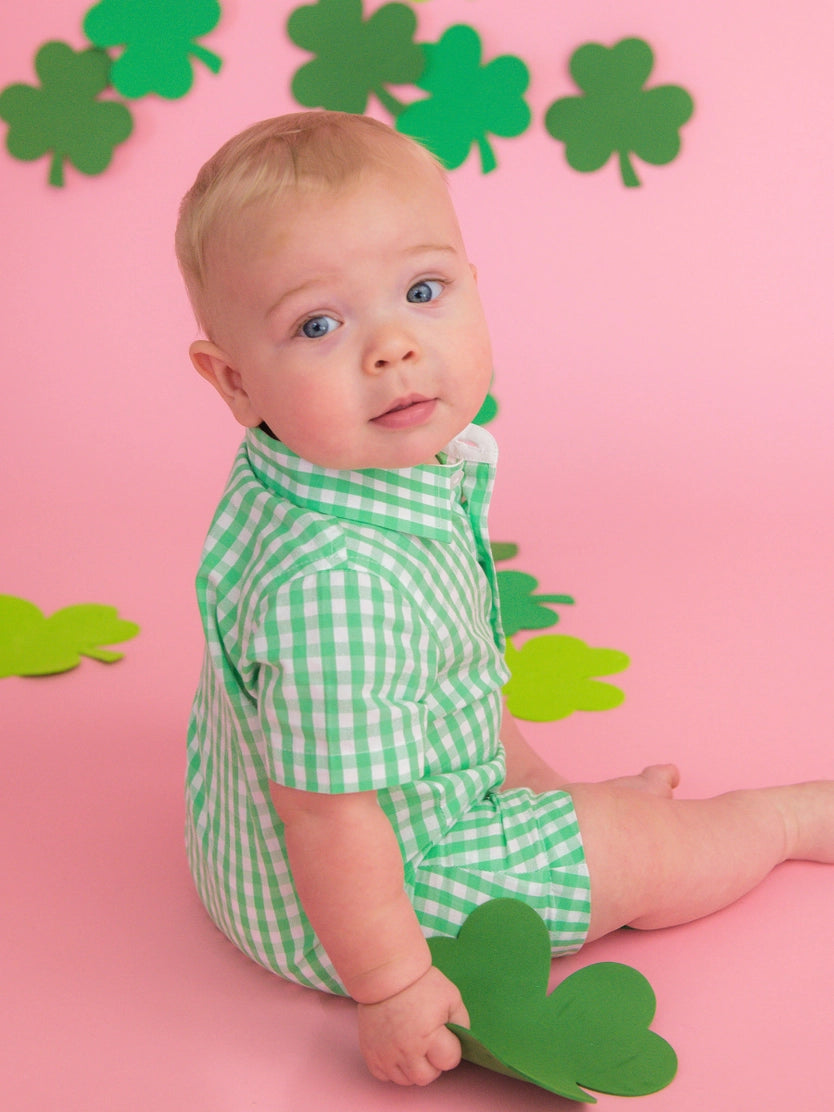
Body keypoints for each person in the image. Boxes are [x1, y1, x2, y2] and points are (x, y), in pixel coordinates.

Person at [176, 111, 834, 1088]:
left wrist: (534, 784)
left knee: (504, 745)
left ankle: (546, 809)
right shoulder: (334, 581)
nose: (393, 347)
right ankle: (780, 821)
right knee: (635, 845)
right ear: (235, 381)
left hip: (294, 843)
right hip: (370, 899)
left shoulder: (325, 473)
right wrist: (394, 982)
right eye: (320, 324)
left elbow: (447, 677)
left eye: (424, 290)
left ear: (475, 288)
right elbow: (331, 816)